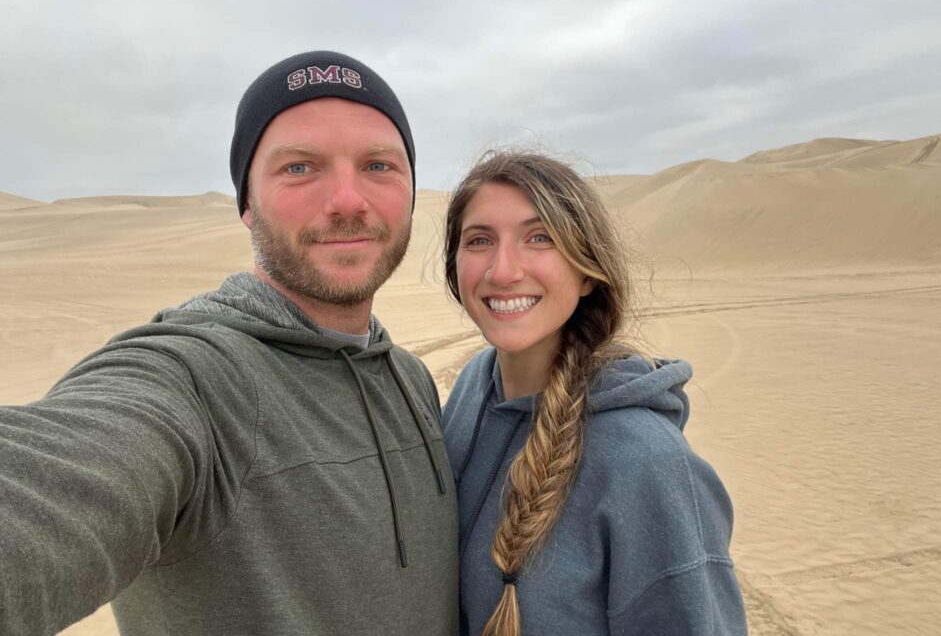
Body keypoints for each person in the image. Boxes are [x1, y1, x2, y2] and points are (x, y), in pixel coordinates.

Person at [0, 50, 458, 635]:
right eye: (300, 167)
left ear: (411, 192)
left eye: (378, 166)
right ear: (246, 201)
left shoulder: (410, 377)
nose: (348, 200)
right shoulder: (194, 376)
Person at [441, 151, 747, 635]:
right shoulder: (470, 394)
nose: (502, 271)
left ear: (587, 271)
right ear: (455, 268)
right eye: (479, 240)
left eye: (538, 238)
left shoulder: (648, 463)